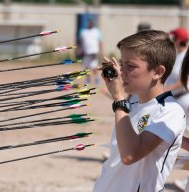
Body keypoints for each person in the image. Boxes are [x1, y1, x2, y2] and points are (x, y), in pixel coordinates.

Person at [93, 30, 186, 192]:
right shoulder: (134, 102)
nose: (121, 72)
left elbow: (130, 155)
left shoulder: (171, 111)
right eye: (122, 64)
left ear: (158, 72)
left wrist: (119, 99)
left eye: (131, 66)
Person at [164, 27, 189, 191]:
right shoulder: (178, 56)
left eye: (174, 40)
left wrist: (164, 91)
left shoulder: (184, 58)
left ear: (181, 41)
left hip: (182, 101)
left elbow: (182, 82)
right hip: (176, 101)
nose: (172, 43)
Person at [78, 19, 103, 85]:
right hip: (86, 52)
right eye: (89, 23)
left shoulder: (96, 31)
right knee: (86, 67)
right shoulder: (83, 31)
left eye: (91, 23)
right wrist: (79, 49)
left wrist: (101, 51)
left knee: (94, 66)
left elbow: (100, 42)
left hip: (94, 51)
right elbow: (80, 42)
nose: (90, 24)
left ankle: (96, 78)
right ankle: (88, 79)